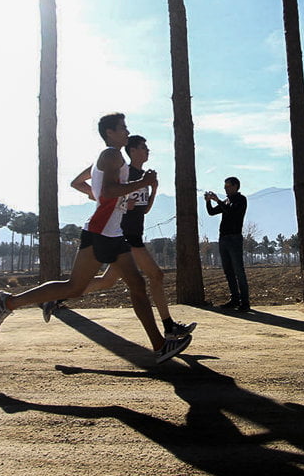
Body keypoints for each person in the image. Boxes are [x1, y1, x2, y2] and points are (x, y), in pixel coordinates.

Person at [0, 113, 192, 365]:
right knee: (75, 286)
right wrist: (142, 182)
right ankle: (9, 302)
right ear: (110, 133)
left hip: (110, 232)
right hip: (100, 231)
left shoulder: (108, 158)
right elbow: (107, 191)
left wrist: (125, 193)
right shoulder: (111, 155)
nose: (127, 132)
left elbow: (95, 188)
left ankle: (160, 345)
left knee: (135, 285)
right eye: (122, 128)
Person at [49, 135, 195, 338]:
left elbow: (143, 210)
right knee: (156, 275)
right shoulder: (121, 171)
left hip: (133, 233)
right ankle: (169, 327)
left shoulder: (143, 176)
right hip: (124, 234)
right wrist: (101, 196)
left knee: (107, 282)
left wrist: (153, 188)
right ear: (132, 150)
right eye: (143, 147)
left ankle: (56, 298)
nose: (147, 151)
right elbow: (85, 185)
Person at [205, 177, 250, 311]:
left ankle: (245, 302)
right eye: (225, 186)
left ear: (235, 186)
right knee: (228, 271)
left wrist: (217, 200)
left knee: (238, 271)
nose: (225, 188)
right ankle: (235, 299)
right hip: (223, 238)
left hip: (234, 238)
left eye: (228, 186)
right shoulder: (226, 201)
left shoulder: (241, 200)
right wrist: (208, 202)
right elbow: (212, 212)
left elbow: (231, 211)